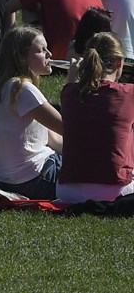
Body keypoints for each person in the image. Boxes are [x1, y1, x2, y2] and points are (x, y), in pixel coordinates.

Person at [0, 26, 64, 198]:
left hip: (9, 181)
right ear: (22, 58)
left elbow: (53, 138)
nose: (50, 54)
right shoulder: (22, 89)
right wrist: (73, 86)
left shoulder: (1, 87)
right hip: (38, 179)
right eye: (42, 50)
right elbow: (69, 129)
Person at [55, 34, 134, 202]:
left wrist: (72, 76)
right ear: (119, 63)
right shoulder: (129, 94)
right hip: (115, 189)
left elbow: (70, 90)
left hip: (68, 191)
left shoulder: (69, 93)